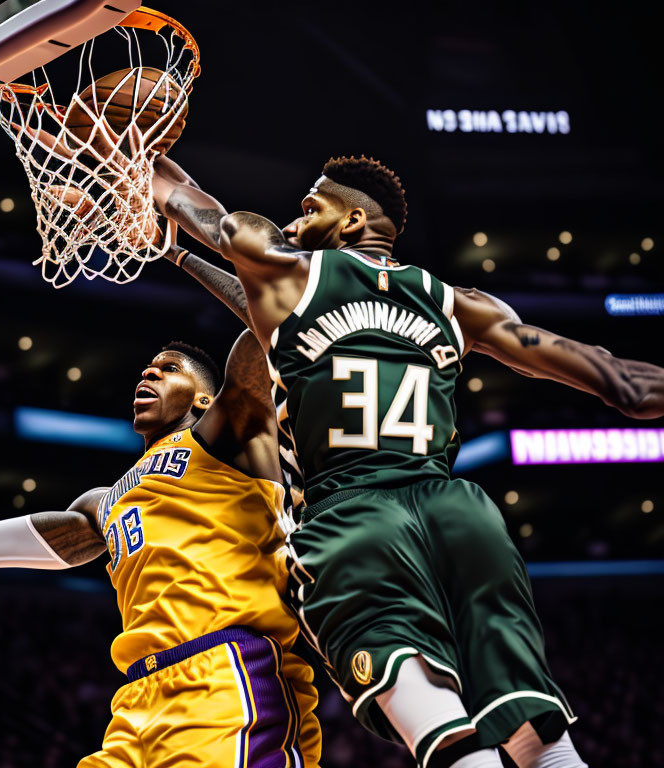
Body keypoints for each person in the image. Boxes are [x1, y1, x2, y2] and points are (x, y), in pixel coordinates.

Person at [149, 153, 664, 768]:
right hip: (460, 517)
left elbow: (189, 199)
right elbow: (625, 385)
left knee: (447, 737)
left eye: (310, 208)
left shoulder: (286, 273)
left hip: (356, 520)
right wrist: (178, 251)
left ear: (350, 222)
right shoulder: (461, 304)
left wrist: (126, 158)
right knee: (540, 741)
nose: (293, 222)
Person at [0, 327, 322, 768]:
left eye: (169, 369)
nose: (150, 373)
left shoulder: (229, 438)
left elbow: (267, 316)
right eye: (147, 369)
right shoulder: (103, 503)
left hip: (227, 677)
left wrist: (185, 256)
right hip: (136, 701)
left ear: (203, 399)